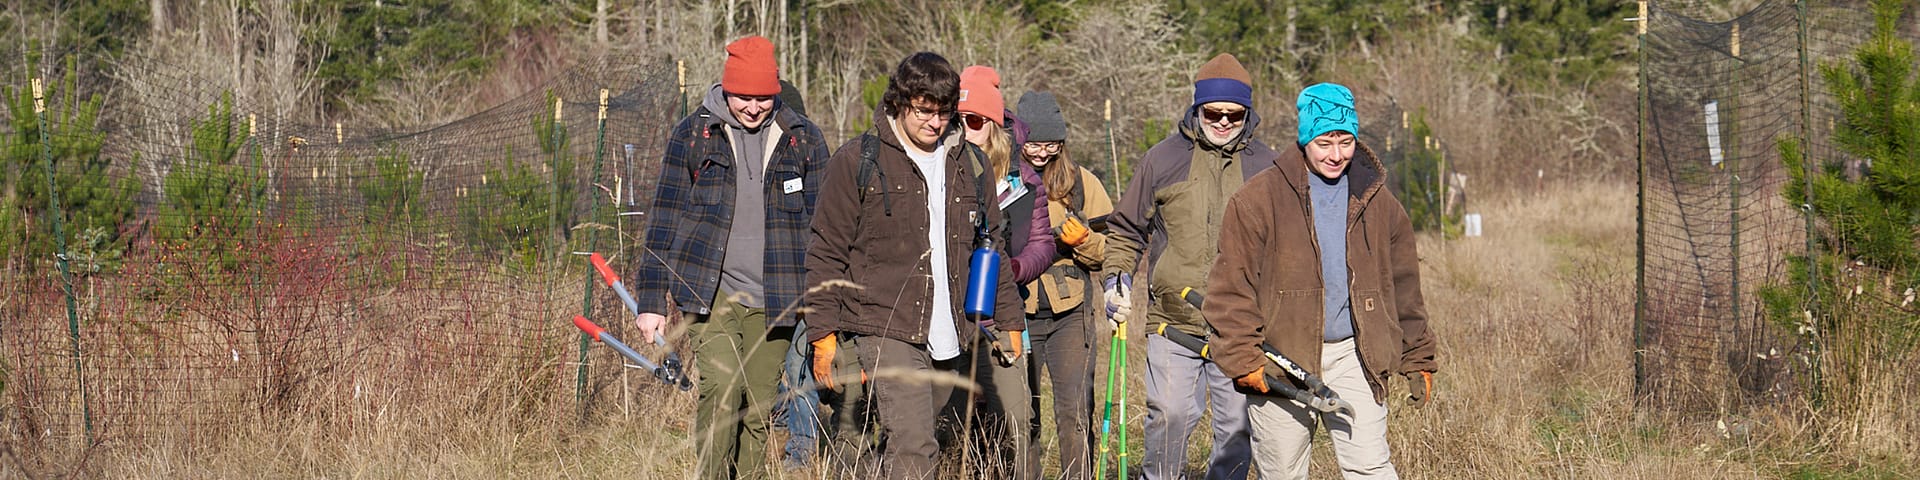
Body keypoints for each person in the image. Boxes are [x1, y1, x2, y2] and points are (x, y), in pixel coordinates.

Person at [805, 51, 1025, 479]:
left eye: (943, 112)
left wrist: (1011, 319)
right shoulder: (857, 161)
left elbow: (991, 245)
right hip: (884, 324)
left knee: (916, 439)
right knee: (914, 444)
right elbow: (826, 249)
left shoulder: (971, 162)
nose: (934, 122)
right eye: (924, 111)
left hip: (951, 329)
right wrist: (822, 334)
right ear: (898, 103)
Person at [1203, 82, 1437, 480]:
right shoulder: (1258, 199)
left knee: (1371, 466)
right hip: (1281, 358)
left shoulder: (1377, 200)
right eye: (1325, 142)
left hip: (1355, 355)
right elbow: (1230, 288)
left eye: (1345, 142)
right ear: (1305, 137)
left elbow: (1403, 286)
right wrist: (1244, 358)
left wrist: (1418, 355)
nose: (1336, 155)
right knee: (1283, 472)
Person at [628, 35, 833, 480]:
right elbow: (664, 217)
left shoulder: (804, 140)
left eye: (763, 97)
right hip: (709, 290)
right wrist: (648, 301)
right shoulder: (693, 134)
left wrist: (824, 308)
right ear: (726, 89)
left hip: (777, 297)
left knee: (758, 407)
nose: (754, 108)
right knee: (722, 390)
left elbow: (824, 230)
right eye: (744, 97)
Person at [1101, 53, 1278, 480]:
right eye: (1212, 113)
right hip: (1172, 321)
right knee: (1170, 416)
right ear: (1196, 108)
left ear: (1248, 114)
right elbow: (1126, 229)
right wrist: (1116, 280)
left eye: (1233, 115)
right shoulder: (1162, 160)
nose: (1222, 122)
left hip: (1239, 324)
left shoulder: (1267, 166)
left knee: (1237, 429)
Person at [947, 64, 1056, 479]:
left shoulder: (1023, 181)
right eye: (956, 119)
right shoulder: (936, 169)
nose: (962, 129)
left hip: (1005, 315)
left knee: (1016, 420)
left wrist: (1011, 269)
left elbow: (1043, 245)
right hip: (949, 320)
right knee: (956, 424)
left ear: (993, 125)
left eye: (972, 121)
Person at [1016, 90, 1114, 480]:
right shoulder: (1000, 177)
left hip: (1070, 313)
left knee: (1075, 411)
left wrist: (1083, 242)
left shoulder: (1082, 182)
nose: (1042, 152)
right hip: (1016, 312)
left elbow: (1113, 249)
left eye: (1051, 143)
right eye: (1034, 143)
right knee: (1024, 413)